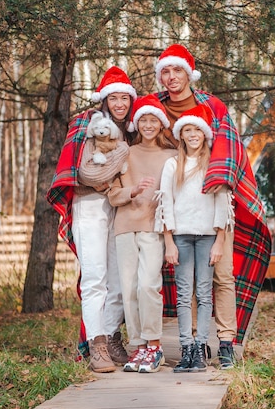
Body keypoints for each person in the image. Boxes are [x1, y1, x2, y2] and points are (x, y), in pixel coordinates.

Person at [154, 44, 272, 369]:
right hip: (179, 205)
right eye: (165, 71)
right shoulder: (157, 107)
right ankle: (194, 343)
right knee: (188, 282)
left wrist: (219, 181)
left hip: (217, 207)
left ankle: (225, 341)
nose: (171, 77)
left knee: (222, 276)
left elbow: (230, 152)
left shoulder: (213, 105)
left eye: (177, 70)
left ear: (189, 73)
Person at [47, 66, 136, 372]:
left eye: (125, 97)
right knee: (95, 278)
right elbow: (81, 171)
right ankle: (96, 345)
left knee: (119, 279)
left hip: (120, 209)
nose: (120, 103)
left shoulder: (131, 130)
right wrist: (107, 173)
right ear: (105, 100)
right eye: (115, 98)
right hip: (89, 207)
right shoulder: (88, 122)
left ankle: (111, 338)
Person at [107, 94, 177, 373]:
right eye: (143, 120)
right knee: (129, 288)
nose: (148, 125)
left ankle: (155, 346)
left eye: (153, 120)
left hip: (153, 226)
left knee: (149, 284)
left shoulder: (172, 155)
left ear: (161, 124)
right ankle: (138, 347)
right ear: (137, 124)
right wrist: (131, 191)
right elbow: (113, 195)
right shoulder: (126, 152)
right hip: (125, 226)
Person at [159, 104, 230, 372]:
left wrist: (220, 241)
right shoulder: (172, 164)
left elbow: (223, 203)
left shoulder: (214, 163)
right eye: (187, 130)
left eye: (196, 130)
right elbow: (165, 202)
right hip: (181, 237)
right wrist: (168, 242)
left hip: (207, 236)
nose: (192, 134)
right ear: (181, 135)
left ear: (204, 134)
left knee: (204, 292)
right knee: (184, 294)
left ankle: (201, 347)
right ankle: (186, 348)